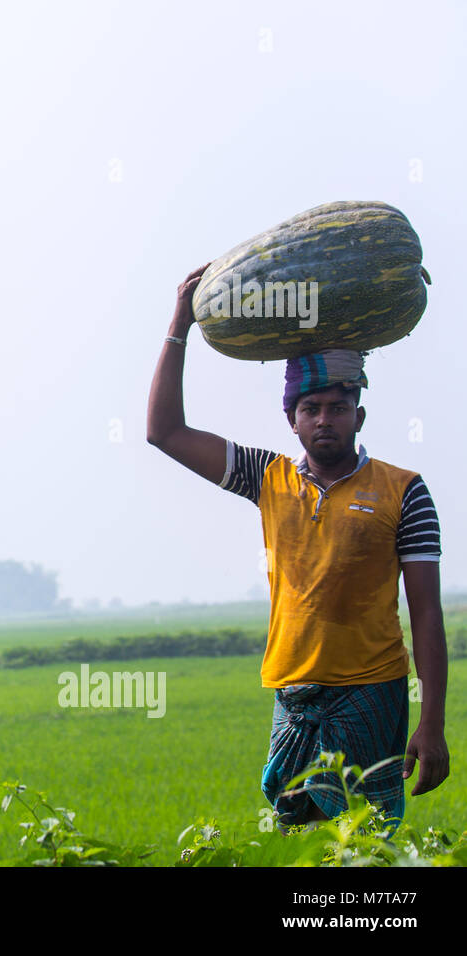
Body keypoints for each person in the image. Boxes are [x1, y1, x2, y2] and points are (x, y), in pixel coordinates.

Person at [147, 263, 449, 825]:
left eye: (337, 407)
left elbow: (427, 613)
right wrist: (180, 324)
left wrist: (431, 724)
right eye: (311, 409)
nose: (324, 419)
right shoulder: (268, 478)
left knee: (370, 847)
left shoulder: (405, 491)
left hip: (373, 694)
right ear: (291, 420)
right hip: (293, 694)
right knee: (304, 843)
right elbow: (164, 432)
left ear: (359, 415)